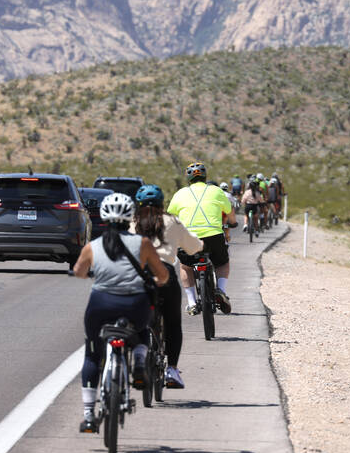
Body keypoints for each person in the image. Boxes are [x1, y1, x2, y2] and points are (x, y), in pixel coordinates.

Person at [71, 192, 169, 433]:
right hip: (135, 304)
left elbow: (79, 272)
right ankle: (137, 361)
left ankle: (88, 415)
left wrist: (93, 273)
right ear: (129, 218)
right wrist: (155, 280)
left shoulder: (92, 246)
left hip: (100, 304)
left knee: (93, 354)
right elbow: (163, 275)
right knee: (143, 331)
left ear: (104, 218)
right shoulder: (143, 243)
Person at [133, 184, 203, 389]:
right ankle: (172, 369)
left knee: (134, 318)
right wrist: (200, 247)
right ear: (162, 202)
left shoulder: (132, 222)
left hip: (139, 274)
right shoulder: (173, 221)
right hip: (165, 274)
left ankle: (136, 359)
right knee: (173, 324)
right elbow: (194, 246)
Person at [167, 161, 235, 315]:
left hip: (189, 238)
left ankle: (191, 303)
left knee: (185, 266)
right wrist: (233, 222)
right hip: (213, 235)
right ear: (205, 177)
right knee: (222, 262)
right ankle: (221, 290)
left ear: (188, 179)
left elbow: (171, 216)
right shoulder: (216, 191)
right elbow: (229, 211)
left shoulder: (180, 194)